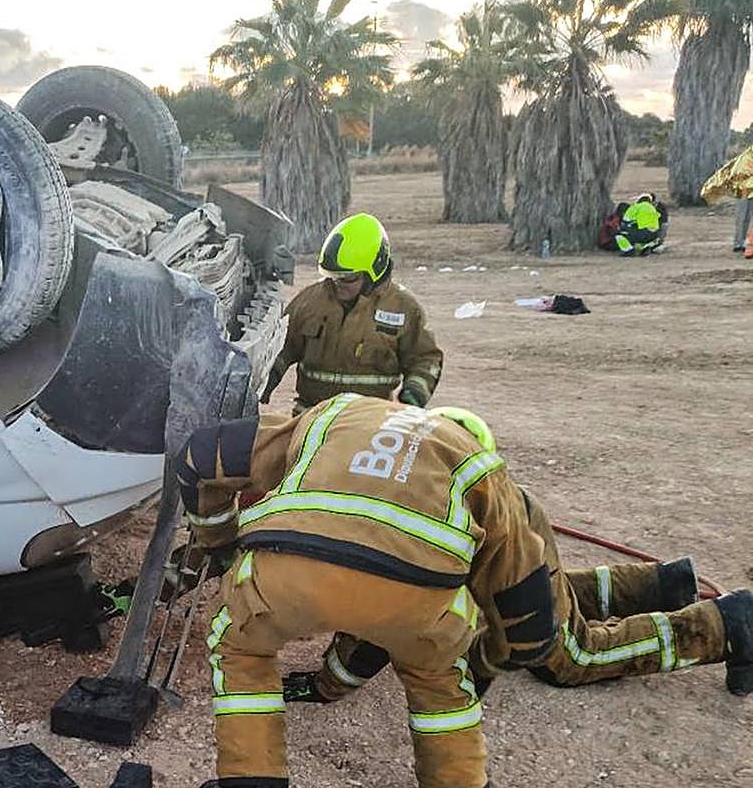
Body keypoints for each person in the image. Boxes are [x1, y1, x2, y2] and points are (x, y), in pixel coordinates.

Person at [177, 394, 558, 788]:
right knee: (439, 683)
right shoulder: (482, 466)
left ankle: (250, 778)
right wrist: (510, 654)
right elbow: (522, 589)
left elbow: (201, 454)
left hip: (287, 574)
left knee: (241, 649)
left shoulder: (341, 412)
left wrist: (218, 540)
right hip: (417, 600)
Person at [281, 416, 753, 705]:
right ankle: (664, 583)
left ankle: (723, 625)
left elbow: (373, 635)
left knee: (569, 657)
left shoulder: (397, 537)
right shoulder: (411, 512)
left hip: (506, 541)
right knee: (549, 594)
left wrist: (326, 688)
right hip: (511, 518)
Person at [261, 214, 443, 414]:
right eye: (333, 277)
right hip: (311, 416)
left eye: (348, 279)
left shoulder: (403, 308)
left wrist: (414, 395)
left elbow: (425, 359)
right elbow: (280, 349)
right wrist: (263, 384)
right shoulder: (309, 301)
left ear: (375, 270)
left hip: (370, 422)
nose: (338, 285)